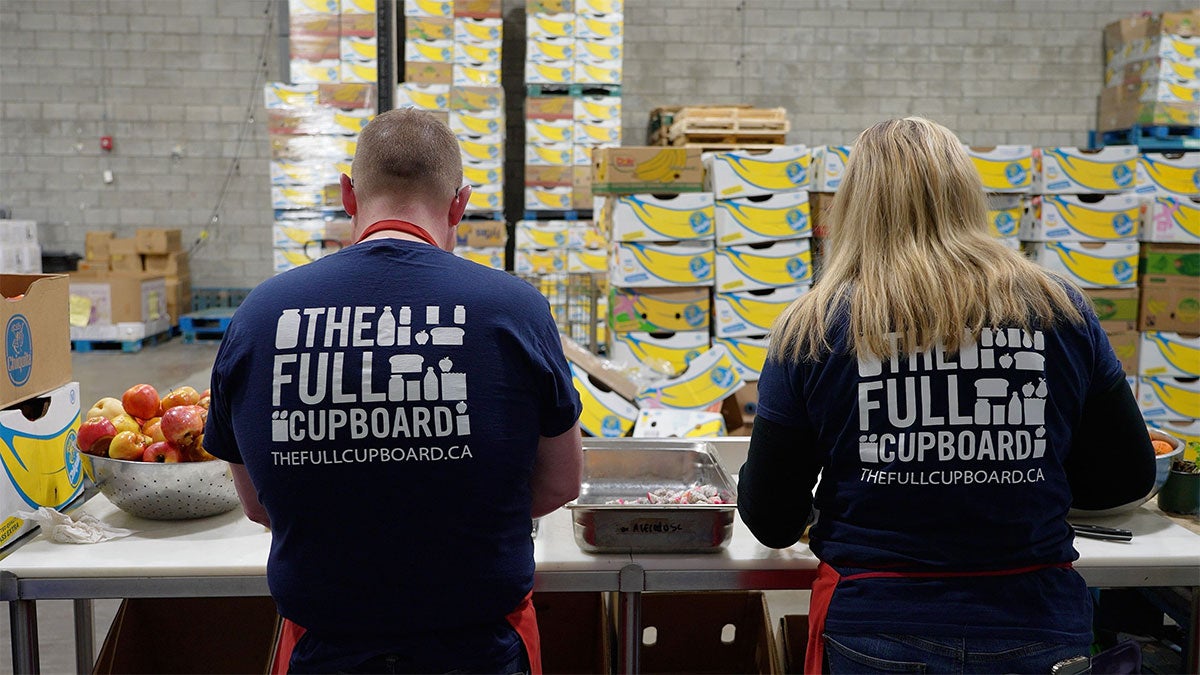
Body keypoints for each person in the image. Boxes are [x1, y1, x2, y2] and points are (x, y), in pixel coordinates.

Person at [736, 117, 1157, 674]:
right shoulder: (1058, 309)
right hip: (1033, 620)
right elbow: (1128, 477)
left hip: (876, 624)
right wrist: (1016, 472)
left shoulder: (813, 326)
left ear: (854, 206)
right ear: (966, 195)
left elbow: (770, 518)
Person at [204, 107, 584, 674]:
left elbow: (259, 503)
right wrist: (457, 509)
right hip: (481, 647)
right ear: (460, 204)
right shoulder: (515, 309)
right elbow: (561, 483)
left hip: (323, 647)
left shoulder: (262, 315)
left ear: (347, 195)